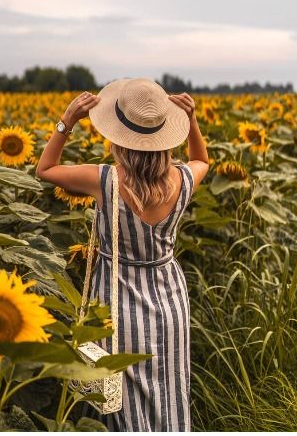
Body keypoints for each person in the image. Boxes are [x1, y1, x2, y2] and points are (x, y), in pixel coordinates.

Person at [35, 78, 209, 431]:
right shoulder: (183, 180)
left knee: (120, 400)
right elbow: (200, 158)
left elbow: (45, 169)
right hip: (170, 301)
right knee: (169, 389)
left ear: (119, 138)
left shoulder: (104, 180)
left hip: (117, 303)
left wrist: (66, 121)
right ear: (164, 137)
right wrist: (191, 121)